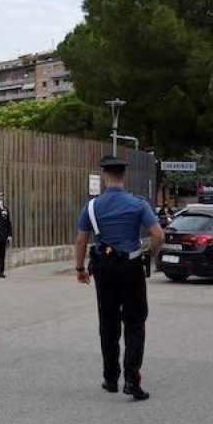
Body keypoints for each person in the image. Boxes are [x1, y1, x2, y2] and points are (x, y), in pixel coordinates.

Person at [73, 156, 165, 401]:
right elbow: (158, 235)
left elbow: (81, 240)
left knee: (108, 323)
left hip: (103, 269)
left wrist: (80, 269)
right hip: (131, 267)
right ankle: (132, 381)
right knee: (135, 323)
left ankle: (111, 379)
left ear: (104, 177)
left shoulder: (92, 207)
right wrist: (150, 256)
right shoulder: (138, 204)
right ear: (124, 176)